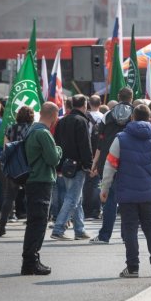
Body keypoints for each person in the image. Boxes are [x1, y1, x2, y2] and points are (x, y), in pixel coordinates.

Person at [100, 104, 151, 278]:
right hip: (149, 191)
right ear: (150, 117)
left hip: (126, 193)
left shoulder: (120, 138)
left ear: (132, 117)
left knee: (130, 229)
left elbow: (110, 165)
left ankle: (133, 267)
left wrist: (104, 187)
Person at [21, 102, 62, 276]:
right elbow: (53, 159)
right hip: (41, 180)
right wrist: (59, 149)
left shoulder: (31, 130)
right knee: (38, 223)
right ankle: (31, 262)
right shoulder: (44, 133)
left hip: (32, 180)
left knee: (34, 222)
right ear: (53, 115)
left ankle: (30, 260)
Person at [88, 87, 133, 244]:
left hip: (108, 162)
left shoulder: (107, 115)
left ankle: (104, 235)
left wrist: (94, 163)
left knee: (108, 199)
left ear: (118, 97)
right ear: (131, 98)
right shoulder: (135, 114)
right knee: (128, 202)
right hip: (130, 163)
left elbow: (100, 143)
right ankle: (126, 236)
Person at [51, 94, 92, 241]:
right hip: (78, 165)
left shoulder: (62, 121)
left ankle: (79, 230)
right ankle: (58, 228)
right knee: (73, 198)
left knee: (76, 198)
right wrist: (88, 164)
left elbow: (57, 143)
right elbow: (85, 145)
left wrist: (58, 164)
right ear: (85, 104)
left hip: (65, 164)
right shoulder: (81, 121)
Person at [0, 105, 34, 237]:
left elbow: (6, 147)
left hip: (13, 167)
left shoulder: (10, 128)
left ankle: (2, 225)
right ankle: (31, 222)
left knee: (9, 197)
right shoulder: (32, 128)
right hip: (28, 167)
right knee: (31, 196)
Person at [84, 95, 104, 220]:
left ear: (89, 104)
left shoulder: (84, 117)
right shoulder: (103, 117)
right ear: (100, 103)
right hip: (100, 152)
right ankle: (96, 210)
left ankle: (86, 210)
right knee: (97, 183)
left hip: (88, 152)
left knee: (86, 183)